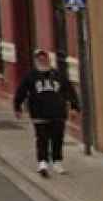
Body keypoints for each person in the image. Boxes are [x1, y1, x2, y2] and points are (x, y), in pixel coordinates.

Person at [13, 48, 80, 178]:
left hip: (58, 113)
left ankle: (57, 162)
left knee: (57, 138)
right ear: (36, 60)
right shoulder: (30, 76)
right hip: (39, 113)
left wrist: (74, 107)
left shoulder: (58, 75)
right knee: (42, 138)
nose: (42, 60)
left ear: (48, 59)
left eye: (44, 58)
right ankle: (42, 163)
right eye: (39, 58)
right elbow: (20, 92)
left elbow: (69, 91)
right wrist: (17, 107)